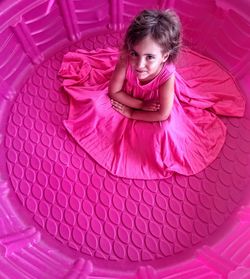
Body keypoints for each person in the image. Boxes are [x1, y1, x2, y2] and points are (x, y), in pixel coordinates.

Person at [58, 9, 245, 180]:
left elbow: (163, 113)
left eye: (149, 57)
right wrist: (137, 104)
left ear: (164, 57)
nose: (139, 65)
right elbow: (113, 91)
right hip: (131, 96)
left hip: (155, 103)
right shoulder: (125, 61)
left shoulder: (167, 75)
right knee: (96, 106)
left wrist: (133, 113)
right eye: (135, 53)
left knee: (164, 131)